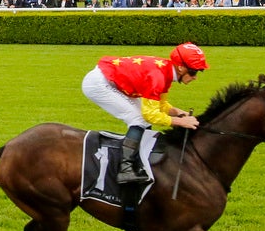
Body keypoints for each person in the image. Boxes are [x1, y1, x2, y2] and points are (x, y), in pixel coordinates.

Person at [81, 42, 206, 189]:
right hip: (98, 84)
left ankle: (140, 161)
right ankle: (125, 169)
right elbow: (151, 115)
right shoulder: (158, 77)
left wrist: (178, 112)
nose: (195, 77)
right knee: (139, 119)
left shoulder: (166, 71)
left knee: (142, 120)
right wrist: (180, 123)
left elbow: (160, 106)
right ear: (181, 68)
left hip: (110, 80)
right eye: (193, 72)